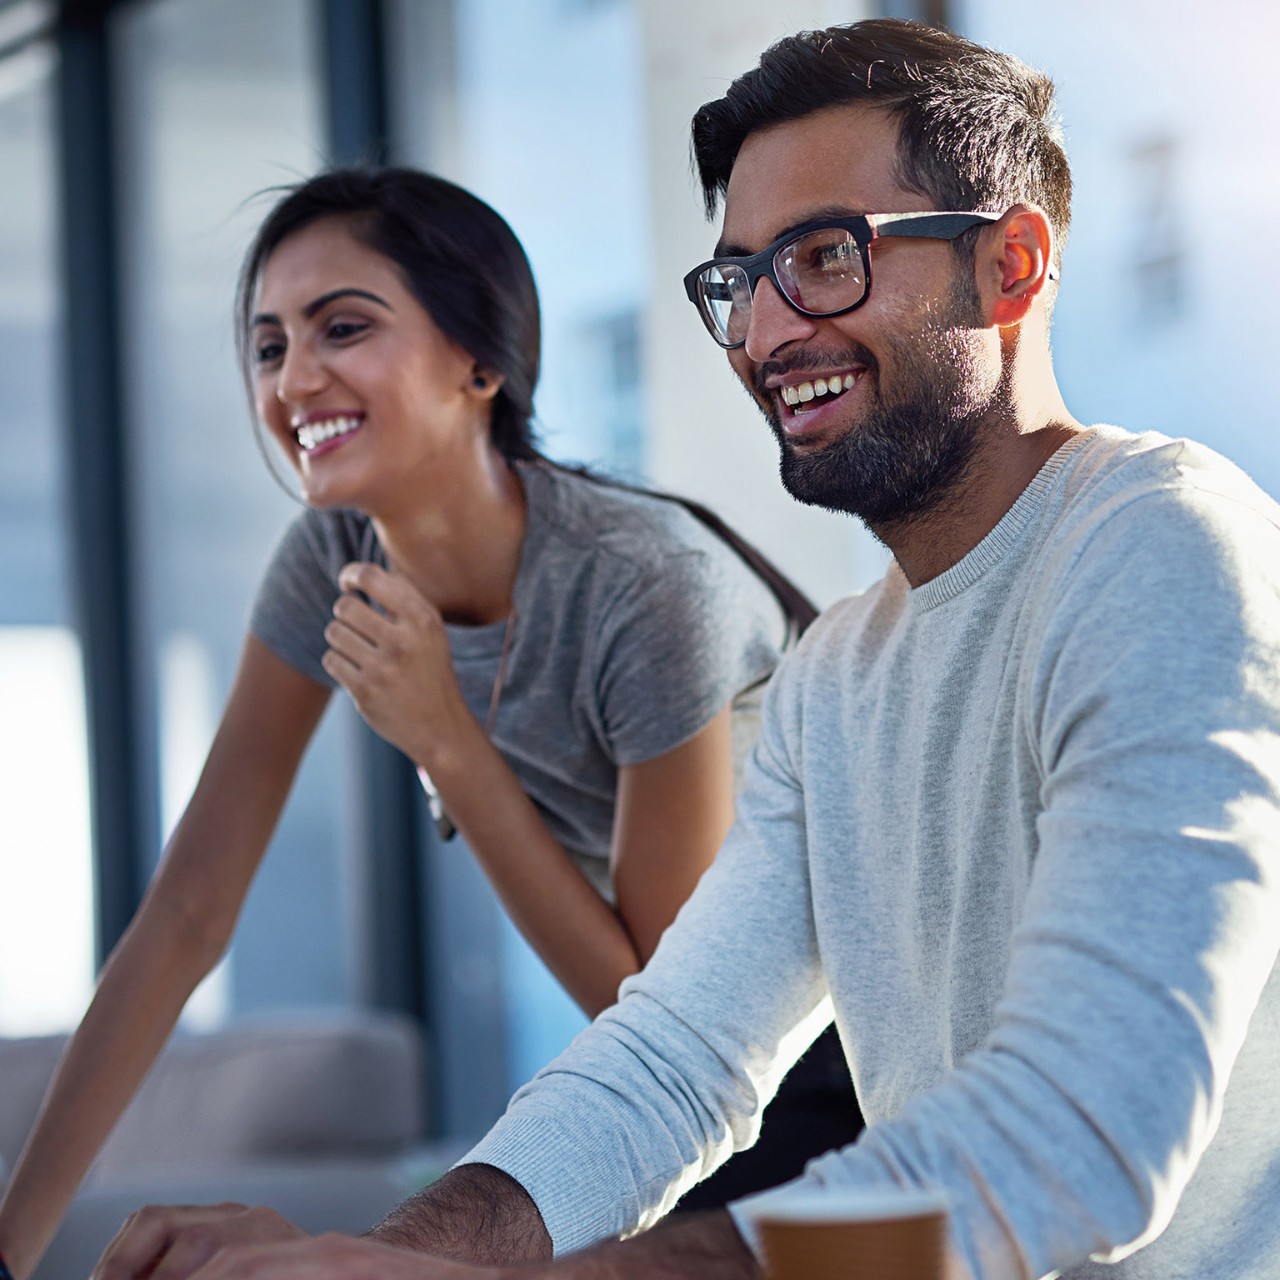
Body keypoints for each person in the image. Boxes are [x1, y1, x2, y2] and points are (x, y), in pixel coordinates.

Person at [76, 17, 1280, 1280]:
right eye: (738, 281)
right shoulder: (834, 675)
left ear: (1009, 268)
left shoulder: (1158, 548)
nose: (763, 335)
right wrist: (383, 1253)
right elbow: (673, 1052)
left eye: (823, 258)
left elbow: (1077, 1139)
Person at [0, 167, 864, 1280]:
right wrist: (13, 1238)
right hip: (681, 1078)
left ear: (480, 362)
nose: (294, 378)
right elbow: (187, 912)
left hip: (845, 1056)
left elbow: (660, 1011)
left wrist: (446, 741)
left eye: (341, 328)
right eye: (269, 346)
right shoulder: (331, 557)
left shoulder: (645, 585)